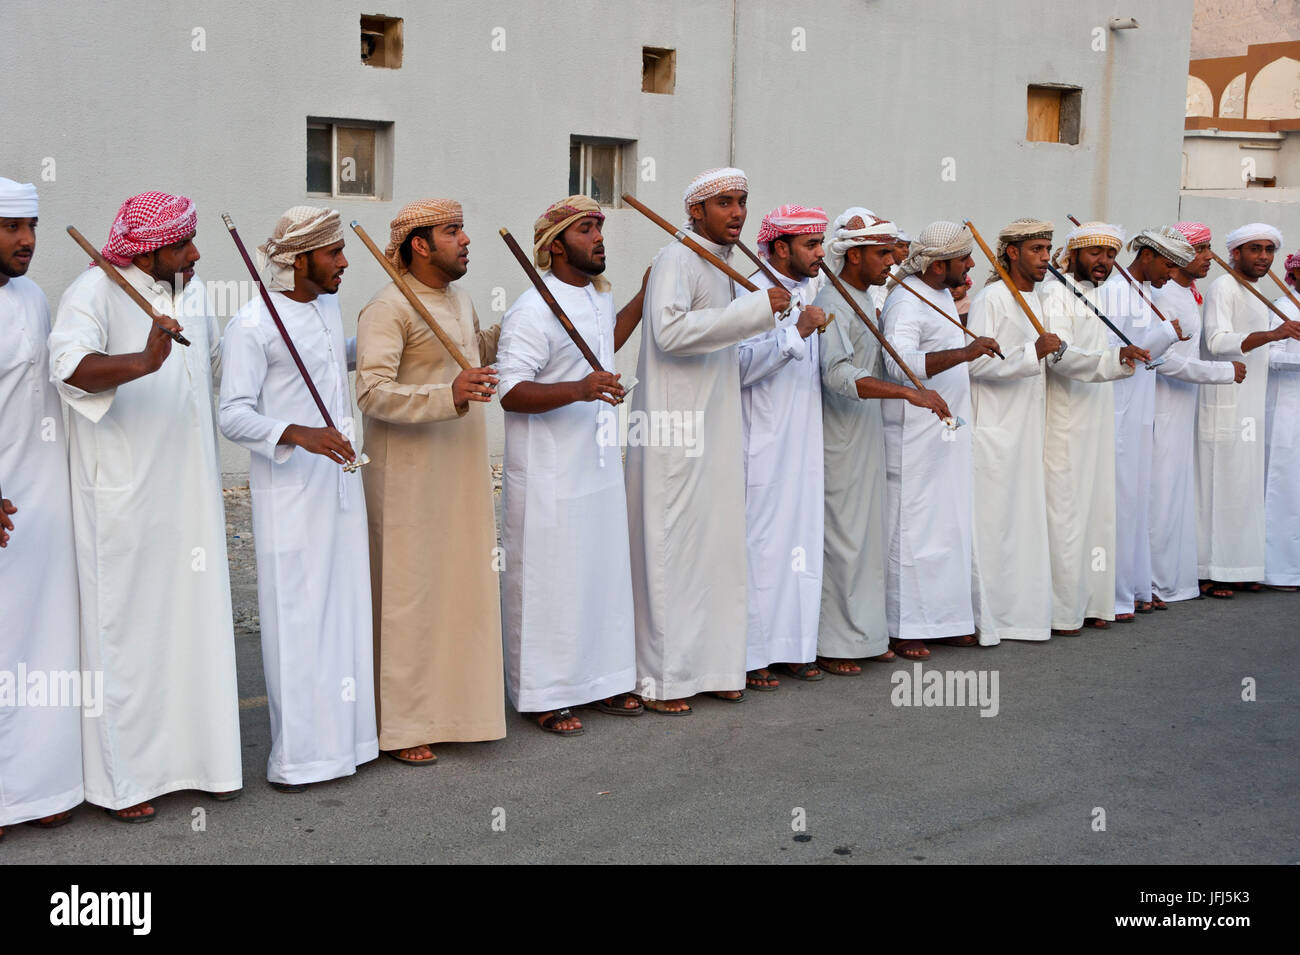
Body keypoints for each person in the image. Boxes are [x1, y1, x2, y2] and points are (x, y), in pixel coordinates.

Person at [48, 192, 241, 822]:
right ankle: (123, 782)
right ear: (148, 247)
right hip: (124, 495)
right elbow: (70, 369)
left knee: (193, 624)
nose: (194, 252)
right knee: (127, 635)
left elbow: (211, 369)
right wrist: (143, 359)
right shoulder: (94, 290)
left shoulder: (191, 289)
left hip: (189, 491)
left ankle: (204, 761)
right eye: (182, 244)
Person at [218, 206, 378, 791]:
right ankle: (301, 758)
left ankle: (351, 742)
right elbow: (233, 414)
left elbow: (333, 359)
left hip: (339, 484)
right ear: (300, 259)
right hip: (289, 490)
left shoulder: (327, 306)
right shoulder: (253, 324)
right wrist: (298, 433)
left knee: (344, 607)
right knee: (299, 617)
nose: (343, 262)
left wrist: (385, 337)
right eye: (333, 253)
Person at [625, 167, 791, 715]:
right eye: (724, 203)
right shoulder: (675, 259)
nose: (738, 213)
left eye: (743, 201)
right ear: (695, 212)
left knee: (716, 552)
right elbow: (670, 333)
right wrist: (756, 309)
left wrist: (757, 315)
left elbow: (725, 340)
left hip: (716, 428)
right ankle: (665, 678)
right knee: (675, 553)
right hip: (676, 431)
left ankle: (715, 667)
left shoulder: (718, 265)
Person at [356, 198, 506, 763]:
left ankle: (460, 712)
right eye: (452, 231)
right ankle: (401, 724)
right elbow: (370, 392)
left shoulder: (460, 298)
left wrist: (504, 335)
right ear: (419, 244)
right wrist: (448, 395)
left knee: (459, 591)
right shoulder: (387, 308)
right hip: (409, 478)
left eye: (464, 228)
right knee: (410, 599)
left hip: (461, 468)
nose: (465, 240)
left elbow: (469, 356)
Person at [497, 196, 648, 735]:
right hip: (549, 474)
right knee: (549, 582)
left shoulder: (598, 299)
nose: (599, 238)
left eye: (600, 228)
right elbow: (510, 391)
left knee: (599, 575)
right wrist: (581, 388)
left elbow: (602, 344)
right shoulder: (532, 308)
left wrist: (644, 294)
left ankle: (601, 682)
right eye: (586, 230)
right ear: (555, 245)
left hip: (598, 462)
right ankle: (543, 694)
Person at [814, 209, 950, 675]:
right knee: (845, 538)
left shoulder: (863, 296)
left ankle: (865, 634)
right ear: (852, 257)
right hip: (840, 434)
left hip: (865, 432)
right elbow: (836, 373)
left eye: (893, 251)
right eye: (881, 253)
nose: (892, 261)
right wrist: (907, 392)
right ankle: (835, 644)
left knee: (868, 536)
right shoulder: (832, 299)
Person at [0, 177, 82, 839]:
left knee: (40, 645)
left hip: (40, 499)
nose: (27, 240)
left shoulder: (34, 298)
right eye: (10, 227)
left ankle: (34, 786)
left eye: (31, 226)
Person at [880, 221, 999, 660]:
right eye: (963, 258)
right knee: (911, 533)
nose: (971, 265)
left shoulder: (942, 293)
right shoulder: (905, 302)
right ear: (937, 266)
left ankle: (944, 620)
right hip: (913, 435)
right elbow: (899, 364)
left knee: (947, 528)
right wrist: (967, 352)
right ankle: (903, 626)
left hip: (945, 433)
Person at [1039, 222, 1146, 634]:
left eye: (1111, 254)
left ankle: (1091, 600)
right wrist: (1116, 359)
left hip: (1096, 414)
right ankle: (1062, 610)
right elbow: (1059, 357)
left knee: (1096, 510)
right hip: (1065, 417)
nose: (1105, 262)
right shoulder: (1055, 292)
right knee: (1065, 512)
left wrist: (1115, 359)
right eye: (1096, 253)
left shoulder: (1095, 294)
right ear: (1074, 254)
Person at [740, 205, 828, 690]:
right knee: (761, 545)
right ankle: (753, 653)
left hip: (802, 439)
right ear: (780, 248)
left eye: (820, 243)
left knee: (800, 538)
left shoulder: (806, 290)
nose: (819, 253)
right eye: (811, 245)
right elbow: (738, 367)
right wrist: (797, 333)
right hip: (762, 439)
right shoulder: (750, 288)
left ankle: (793, 646)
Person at [966, 219, 1064, 645]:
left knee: (1023, 524)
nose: (1045, 258)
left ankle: (1023, 617)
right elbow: (976, 363)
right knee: (995, 526)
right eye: (1037, 249)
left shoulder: (1036, 298)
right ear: (1012, 252)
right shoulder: (992, 298)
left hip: (1028, 427)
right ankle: (990, 619)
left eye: (1048, 249)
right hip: (996, 429)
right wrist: (1031, 353)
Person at [1196, 224, 1300, 597]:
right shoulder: (1223, 288)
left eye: (1269, 250)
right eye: (1254, 249)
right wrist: (1276, 334)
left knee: (1242, 488)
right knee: (1219, 486)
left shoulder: (1255, 291)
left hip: (1251, 405)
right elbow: (1218, 341)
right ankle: (1209, 570)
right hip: (1224, 401)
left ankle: (1238, 565)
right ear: (1235, 253)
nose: (1263, 257)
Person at [1095, 228, 1187, 620]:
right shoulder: (1116, 291)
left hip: (1139, 410)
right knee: (1119, 499)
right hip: (1118, 408)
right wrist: (1168, 333)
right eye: (1168, 264)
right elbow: (1122, 353)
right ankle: (1112, 594)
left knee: (1136, 498)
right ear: (1146, 256)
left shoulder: (1143, 290)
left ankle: (1134, 586)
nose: (1171, 273)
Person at [1149, 223, 1242, 604]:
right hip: (1160, 404)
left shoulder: (1189, 293)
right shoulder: (1165, 294)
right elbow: (1163, 359)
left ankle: (1172, 579)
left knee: (1175, 494)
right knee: (1159, 492)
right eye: (1201, 249)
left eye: (1209, 248)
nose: (1209, 257)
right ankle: (1151, 583)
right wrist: (1222, 372)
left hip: (1185, 405)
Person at [1263, 248, 1300, 589]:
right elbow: (1268, 356)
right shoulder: (1284, 308)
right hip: (1287, 409)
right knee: (1285, 486)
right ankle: (1279, 569)